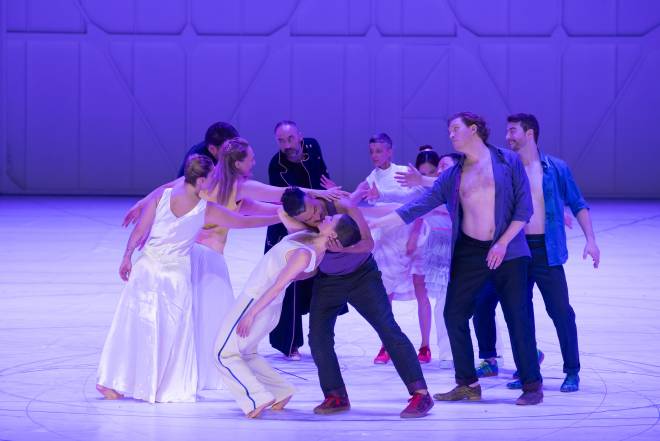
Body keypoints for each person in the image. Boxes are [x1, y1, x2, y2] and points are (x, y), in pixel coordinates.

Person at [121, 138, 347, 391]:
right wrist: (319, 194)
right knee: (216, 321)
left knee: (192, 317)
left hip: (188, 256)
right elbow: (282, 194)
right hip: (208, 261)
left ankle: (187, 370)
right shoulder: (240, 186)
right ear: (238, 164)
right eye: (250, 158)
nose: (255, 161)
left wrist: (142, 203)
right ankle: (211, 372)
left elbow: (168, 188)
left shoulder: (209, 181)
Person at [372, 112, 543, 406]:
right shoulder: (454, 174)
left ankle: (531, 385)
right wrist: (374, 224)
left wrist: (501, 244)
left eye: (455, 129)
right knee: (454, 314)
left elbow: (523, 209)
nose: (450, 135)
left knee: (518, 317)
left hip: (509, 251)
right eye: (449, 130)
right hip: (470, 252)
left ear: (473, 130)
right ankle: (467, 384)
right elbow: (420, 204)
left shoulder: (506, 161)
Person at [96, 155, 280, 403]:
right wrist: (279, 218)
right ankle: (163, 385)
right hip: (173, 278)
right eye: (212, 178)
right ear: (201, 180)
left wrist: (127, 257)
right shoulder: (207, 210)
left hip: (146, 269)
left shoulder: (163, 196)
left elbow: (140, 231)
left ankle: (112, 382)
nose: (215, 183)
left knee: (132, 328)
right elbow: (242, 223)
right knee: (170, 332)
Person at [472, 113, 600, 392]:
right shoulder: (505, 168)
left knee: (560, 311)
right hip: (516, 250)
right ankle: (527, 369)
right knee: (519, 313)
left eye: (513, 131)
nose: (508, 137)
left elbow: (578, 203)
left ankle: (572, 370)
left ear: (529, 133)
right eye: (507, 131)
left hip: (547, 250)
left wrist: (590, 240)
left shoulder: (556, 168)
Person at [279, 188, 434, 418]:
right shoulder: (293, 217)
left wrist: (344, 248)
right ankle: (336, 396)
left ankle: (421, 394)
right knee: (318, 337)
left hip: (363, 275)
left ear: (313, 198)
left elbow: (368, 243)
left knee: (388, 329)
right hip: (329, 281)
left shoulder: (342, 205)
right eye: (307, 219)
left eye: (313, 210)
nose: (314, 218)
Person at [215, 204, 361, 418]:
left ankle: (256, 397)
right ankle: (280, 391)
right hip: (264, 305)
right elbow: (284, 212)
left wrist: (251, 313)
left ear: (333, 235)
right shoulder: (307, 237)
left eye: (332, 221)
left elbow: (276, 286)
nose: (326, 218)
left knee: (223, 354)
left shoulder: (306, 254)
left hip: (257, 302)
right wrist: (305, 201)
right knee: (247, 353)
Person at [265, 120, 337, 360]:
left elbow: (323, 177)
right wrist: (321, 194)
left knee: (323, 280)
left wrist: (331, 192)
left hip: (317, 220)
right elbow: (290, 198)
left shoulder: (313, 148)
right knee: (291, 284)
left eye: (290, 139)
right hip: (289, 227)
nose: (286, 145)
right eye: (281, 141)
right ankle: (290, 344)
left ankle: (323, 340)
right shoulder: (276, 165)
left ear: (299, 136)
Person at [359, 134, 426, 364]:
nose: (375, 155)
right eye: (371, 151)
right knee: (384, 293)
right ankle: (386, 344)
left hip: (409, 238)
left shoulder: (401, 172)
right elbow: (357, 197)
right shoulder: (372, 177)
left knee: (421, 291)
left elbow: (417, 199)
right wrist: (336, 196)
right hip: (385, 239)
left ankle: (425, 345)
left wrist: (384, 195)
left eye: (379, 150)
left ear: (390, 151)